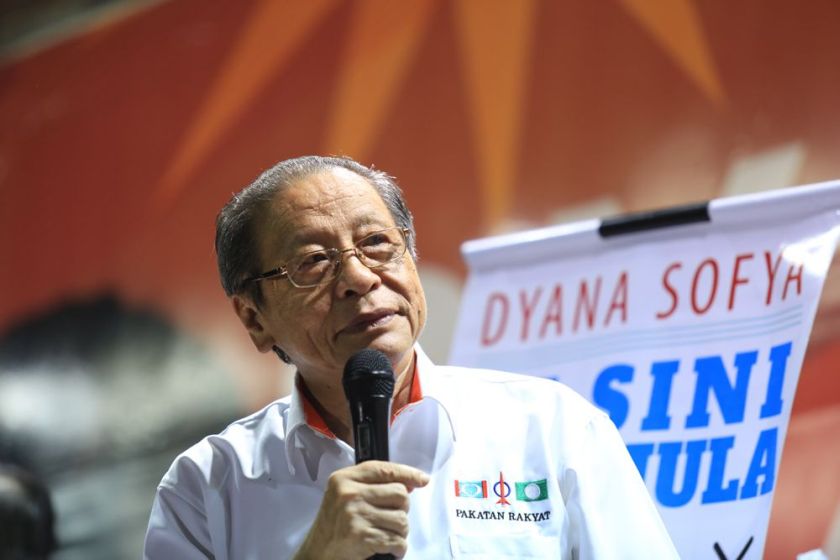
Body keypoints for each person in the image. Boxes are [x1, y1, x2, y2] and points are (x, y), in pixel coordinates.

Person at [144, 155, 679, 559]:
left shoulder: (552, 427)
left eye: (377, 242)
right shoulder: (206, 488)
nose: (358, 277)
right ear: (254, 319)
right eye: (311, 262)